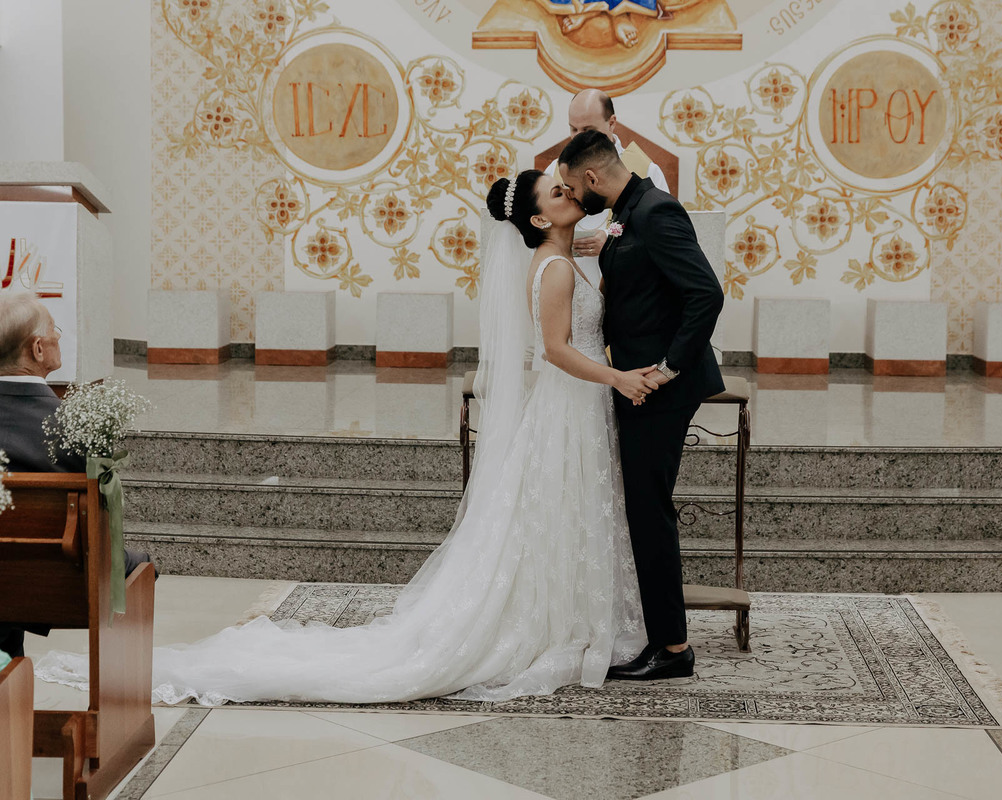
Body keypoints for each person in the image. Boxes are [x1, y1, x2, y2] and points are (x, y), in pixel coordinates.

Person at [37, 172, 661, 705]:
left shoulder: (563, 256)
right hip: (570, 401)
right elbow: (554, 350)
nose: (570, 191)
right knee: (557, 509)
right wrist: (618, 377)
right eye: (557, 191)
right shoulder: (553, 270)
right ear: (537, 217)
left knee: (567, 511)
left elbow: (584, 285)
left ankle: (573, 616)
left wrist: (607, 239)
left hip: (577, 406)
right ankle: (555, 623)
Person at [558, 130, 724, 681]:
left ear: (591, 177)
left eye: (572, 188)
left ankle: (673, 649)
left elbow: (706, 293)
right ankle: (662, 638)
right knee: (643, 508)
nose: (574, 198)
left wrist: (669, 367)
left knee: (650, 511)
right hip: (635, 379)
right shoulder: (627, 212)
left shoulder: (656, 211)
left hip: (659, 386)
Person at [0, 292, 154, 657]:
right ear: (38, 349)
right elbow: (101, 530)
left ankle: (9, 668)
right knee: (140, 564)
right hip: (55, 586)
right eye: (54, 329)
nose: (59, 336)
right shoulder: (76, 428)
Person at [545, 89, 669, 287]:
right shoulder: (555, 170)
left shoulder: (647, 171)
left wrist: (613, 242)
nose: (578, 138)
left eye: (587, 129)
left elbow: (661, 236)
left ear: (611, 123)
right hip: (567, 280)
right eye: (573, 129)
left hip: (625, 283)